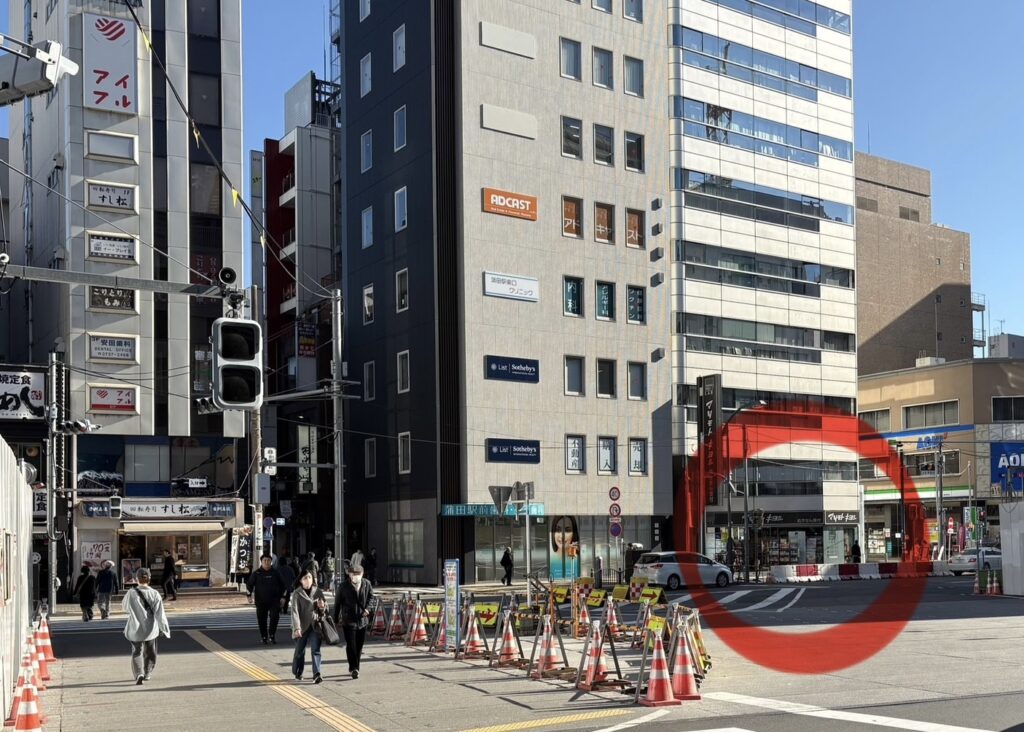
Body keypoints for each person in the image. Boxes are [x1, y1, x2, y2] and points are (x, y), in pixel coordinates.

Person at [122, 567, 170, 685]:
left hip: (135, 627)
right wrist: (164, 628)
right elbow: (160, 614)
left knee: (136, 651)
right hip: (150, 628)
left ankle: (139, 673)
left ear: (136, 579)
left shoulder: (131, 593)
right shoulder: (155, 593)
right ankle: (147, 672)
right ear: (149, 578)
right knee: (150, 651)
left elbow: (125, 608)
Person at [333, 561, 373, 679]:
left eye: (357, 574)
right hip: (348, 619)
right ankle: (353, 668)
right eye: (353, 574)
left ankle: (356, 667)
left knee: (359, 645)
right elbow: (337, 603)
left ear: (362, 574)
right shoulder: (343, 586)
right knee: (351, 645)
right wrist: (335, 619)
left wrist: (368, 609)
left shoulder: (367, 584)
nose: (355, 576)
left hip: (362, 619)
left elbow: (371, 597)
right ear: (349, 574)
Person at [290, 570, 327, 683]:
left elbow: (325, 610)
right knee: (300, 651)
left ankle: (317, 674)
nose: (308, 580)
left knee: (316, 649)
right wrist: (297, 628)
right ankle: (298, 672)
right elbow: (294, 612)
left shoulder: (318, 591)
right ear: (301, 580)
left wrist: (322, 607)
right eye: (305, 578)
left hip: (315, 625)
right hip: (301, 627)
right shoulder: (297, 593)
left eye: (310, 577)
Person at [246, 553, 287, 644]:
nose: (266, 562)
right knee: (261, 619)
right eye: (264, 560)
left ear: (271, 562)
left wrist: (283, 597)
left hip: (274, 601)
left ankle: (272, 635)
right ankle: (264, 636)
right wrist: (249, 596)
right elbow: (249, 585)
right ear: (261, 562)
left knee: (274, 617)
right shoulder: (256, 573)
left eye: (268, 560)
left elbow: (284, 586)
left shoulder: (276, 573)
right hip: (261, 601)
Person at [550, 515, 580, 580]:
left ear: (573, 534)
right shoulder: (550, 561)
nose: (562, 536)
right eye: (558, 530)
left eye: (567, 530)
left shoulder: (578, 561)